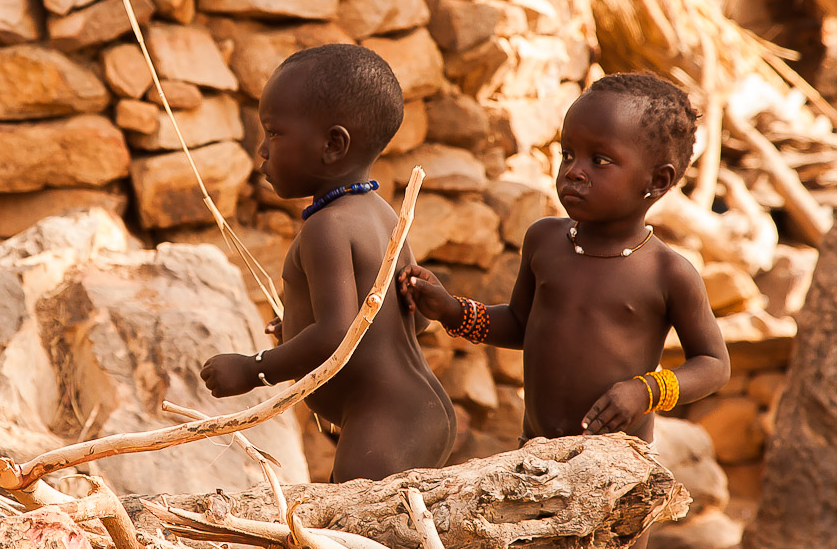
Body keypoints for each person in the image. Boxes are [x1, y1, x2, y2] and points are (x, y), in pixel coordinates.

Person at [398, 73, 729, 538]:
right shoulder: (544, 241)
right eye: (568, 154)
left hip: (617, 474)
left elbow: (714, 365)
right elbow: (520, 323)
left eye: (601, 160)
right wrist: (452, 311)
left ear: (657, 181)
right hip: (533, 457)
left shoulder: (667, 272)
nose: (574, 170)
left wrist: (645, 391)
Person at [200, 44, 456, 482]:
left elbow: (336, 335)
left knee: (353, 532)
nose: (262, 150)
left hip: (383, 424)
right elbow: (415, 323)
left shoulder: (326, 228)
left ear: (333, 145)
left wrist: (254, 368)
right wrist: (297, 328)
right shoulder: (382, 212)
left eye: (274, 133)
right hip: (421, 409)